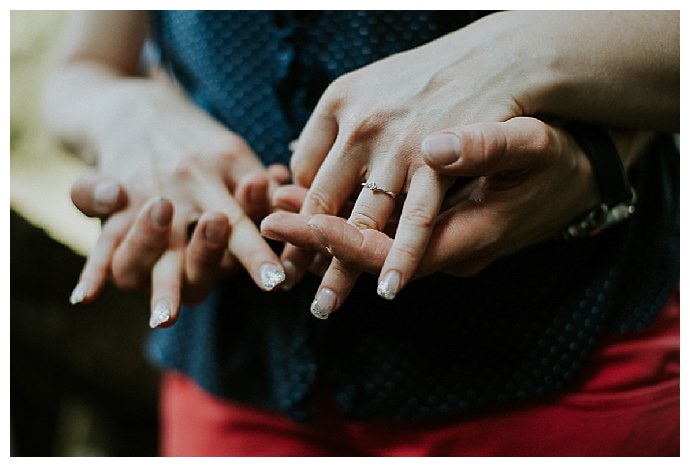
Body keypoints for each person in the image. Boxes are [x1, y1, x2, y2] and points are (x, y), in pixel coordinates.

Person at [44, 11, 679, 456]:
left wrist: (514, 53)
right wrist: (129, 115)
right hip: (237, 375)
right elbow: (81, 69)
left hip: (568, 360)